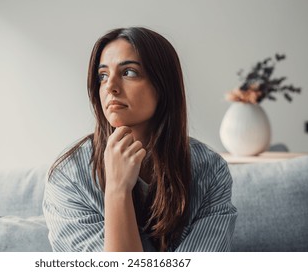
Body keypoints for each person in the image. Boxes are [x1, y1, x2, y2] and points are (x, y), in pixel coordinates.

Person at [43, 27, 237, 252]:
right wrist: (117, 190)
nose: (111, 87)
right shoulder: (69, 175)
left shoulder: (209, 171)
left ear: (163, 85)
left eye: (129, 73)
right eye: (102, 76)